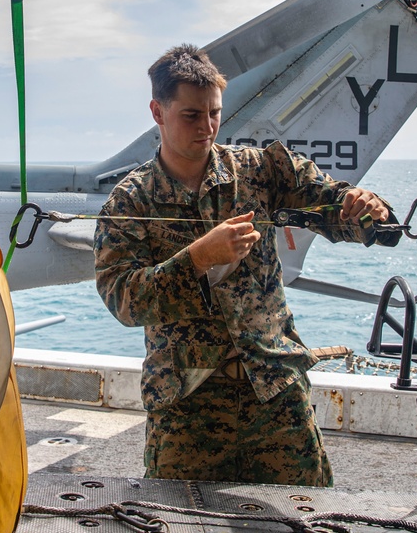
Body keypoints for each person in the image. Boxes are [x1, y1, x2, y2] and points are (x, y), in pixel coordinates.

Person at [93, 43, 401, 487]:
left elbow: (341, 209)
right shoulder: (130, 200)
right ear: (158, 112)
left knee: (307, 519)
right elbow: (124, 300)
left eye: (214, 113)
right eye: (191, 116)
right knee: (182, 522)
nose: (208, 127)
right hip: (188, 408)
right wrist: (198, 258)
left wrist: (369, 210)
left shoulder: (260, 170)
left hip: (276, 396)